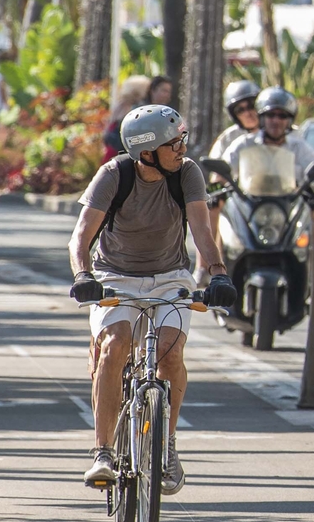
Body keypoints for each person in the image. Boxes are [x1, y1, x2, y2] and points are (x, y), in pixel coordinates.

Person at [68, 105, 236, 494]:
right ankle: (103, 452)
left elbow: (202, 229)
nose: (182, 148)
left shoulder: (187, 173)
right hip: (114, 275)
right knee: (114, 347)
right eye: (173, 142)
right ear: (147, 152)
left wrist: (218, 273)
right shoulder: (113, 175)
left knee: (170, 352)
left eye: (182, 139)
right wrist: (83, 275)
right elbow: (81, 236)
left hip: (169, 277)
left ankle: (168, 445)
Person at [245, 87, 314, 183]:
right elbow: (224, 174)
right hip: (248, 198)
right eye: (270, 115)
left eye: (282, 116)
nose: (276, 121)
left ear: (290, 121)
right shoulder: (245, 145)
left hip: (292, 198)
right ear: (262, 118)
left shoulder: (300, 148)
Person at [100, 76, 151, 161]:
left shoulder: (121, 104)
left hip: (113, 142)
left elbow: (110, 122)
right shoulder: (131, 107)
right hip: (119, 145)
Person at [209, 80, 261, 158]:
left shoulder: (276, 132)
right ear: (234, 115)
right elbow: (215, 163)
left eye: (251, 106)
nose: (247, 113)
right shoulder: (228, 138)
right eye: (240, 110)